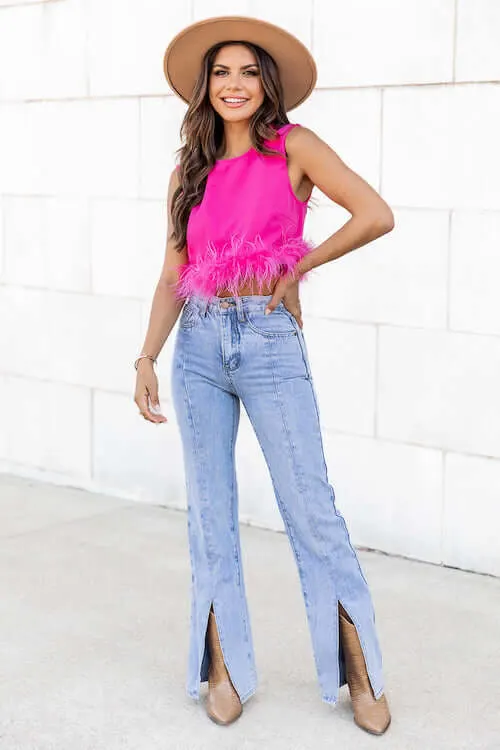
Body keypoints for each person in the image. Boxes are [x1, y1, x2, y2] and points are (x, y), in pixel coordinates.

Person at [134, 15, 394, 734]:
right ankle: (224, 669)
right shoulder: (189, 170)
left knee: (311, 508)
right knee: (210, 515)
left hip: (270, 342)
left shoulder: (295, 147)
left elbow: (375, 213)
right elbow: (171, 274)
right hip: (197, 347)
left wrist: (300, 266)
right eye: (221, 73)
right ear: (205, 87)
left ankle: (359, 673)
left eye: (248, 72)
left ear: (267, 84)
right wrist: (146, 355)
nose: (235, 84)